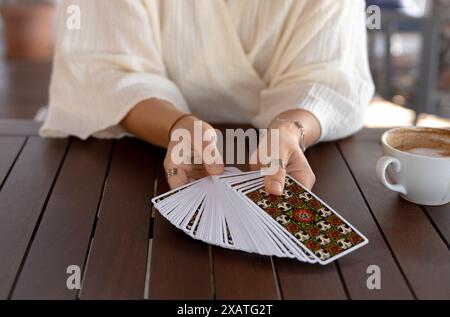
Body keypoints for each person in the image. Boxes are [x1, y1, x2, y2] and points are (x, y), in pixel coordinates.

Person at [40, 0, 374, 195]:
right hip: (137, 149)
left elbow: (329, 76)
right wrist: (178, 125)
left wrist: (291, 129)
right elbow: (105, 70)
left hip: (289, 157)